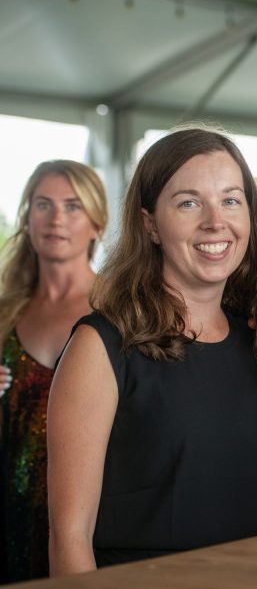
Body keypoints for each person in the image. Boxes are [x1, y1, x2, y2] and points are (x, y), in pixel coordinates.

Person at [47, 128, 257, 575]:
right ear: (150, 223)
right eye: (189, 202)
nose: (216, 221)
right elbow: (69, 539)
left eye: (231, 200)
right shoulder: (102, 346)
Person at [0, 160, 107, 582]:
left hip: (92, 522)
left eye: (72, 206)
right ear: (27, 219)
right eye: (43, 205)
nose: (57, 218)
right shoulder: (6, 313)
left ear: (97, 224)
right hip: (9, 511)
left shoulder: (119, 311)